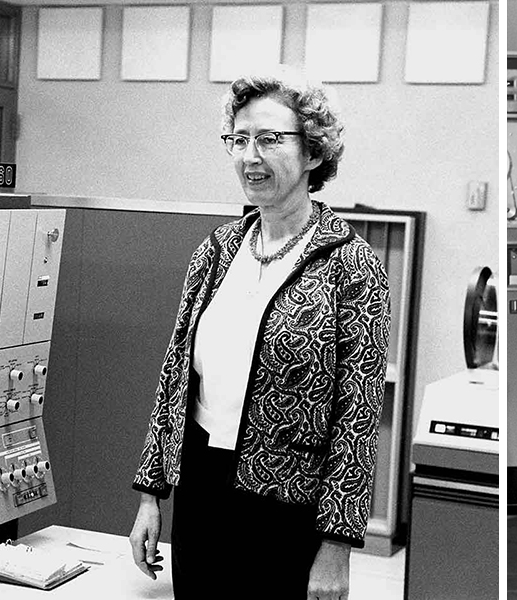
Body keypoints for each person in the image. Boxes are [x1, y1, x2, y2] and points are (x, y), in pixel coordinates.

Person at [125, 66, 391, 600]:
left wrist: (336, 545)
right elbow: (176, 376)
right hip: (203, 494)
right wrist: (151, 495)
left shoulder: (352, 265)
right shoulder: (217, 251)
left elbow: (356, 417)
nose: (250, 156)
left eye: (269, 139)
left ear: (314, 153)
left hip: (288, 510)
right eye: (239, 139)